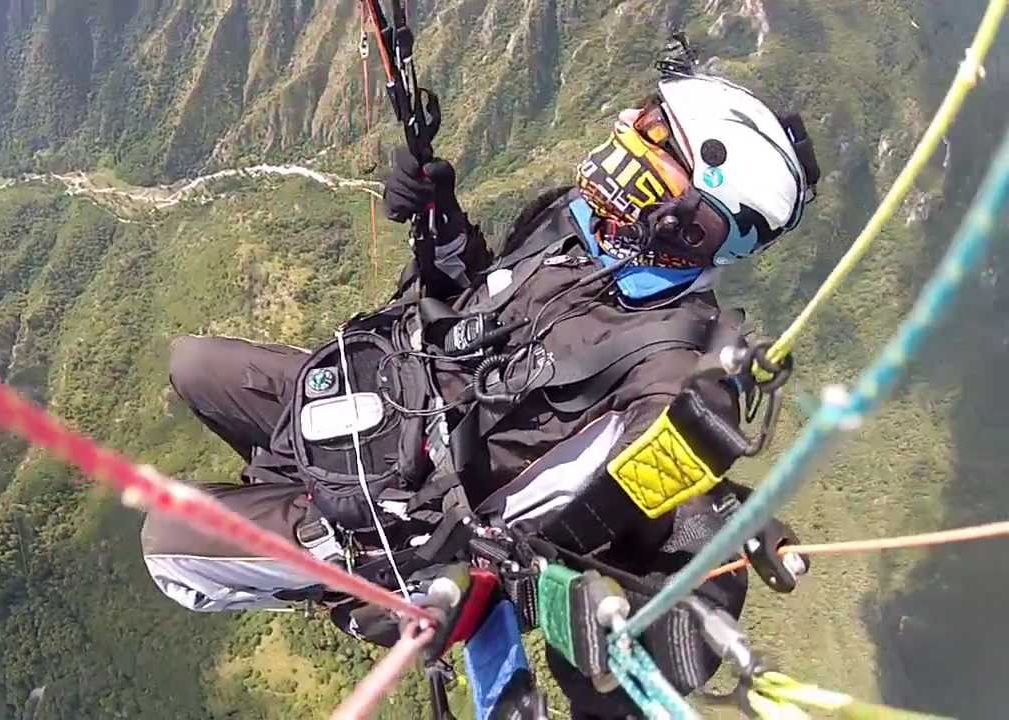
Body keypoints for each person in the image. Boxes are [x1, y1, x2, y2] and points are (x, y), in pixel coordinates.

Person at [140, 65, 820, 718]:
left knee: (168, 544)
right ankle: (288, 485)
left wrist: (486, 579)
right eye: (645, 119)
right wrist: (441, 221)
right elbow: (480, 299)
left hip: (413, 509)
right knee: (193, 365)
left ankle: (321, 563)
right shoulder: (578, 226)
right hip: (395, 392)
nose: (627, 132)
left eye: (654, 137)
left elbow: (606, 508)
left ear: (691, 216)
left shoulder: (668, 366)